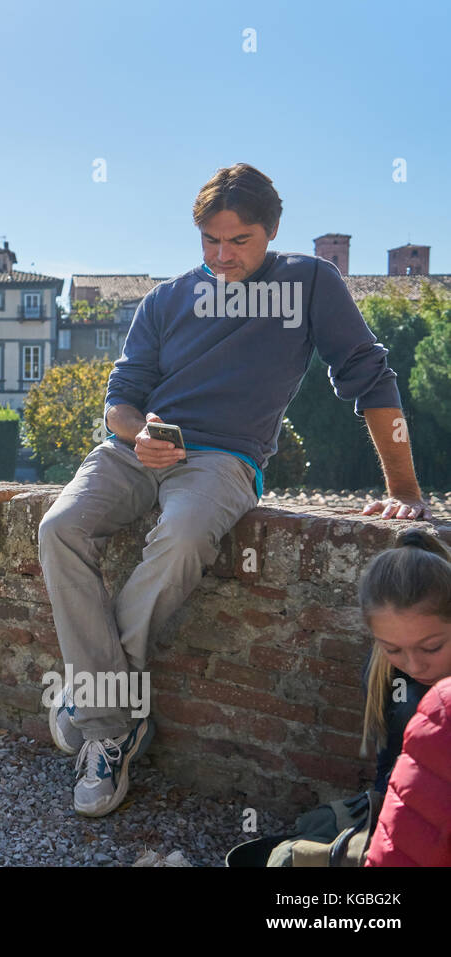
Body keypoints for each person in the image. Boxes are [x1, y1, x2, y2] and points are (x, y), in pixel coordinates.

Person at [39, 163, 431, 818]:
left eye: (239, 241)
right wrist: (138, 436)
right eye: (210, 241)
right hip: (134, 452)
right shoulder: (166, 299)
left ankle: (100, 711)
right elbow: (120, 402)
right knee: (58, 527)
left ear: (271, 233)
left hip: (224, 459)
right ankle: (114, 715)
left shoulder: (309, 282)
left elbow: (368, 373)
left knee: (184, 537)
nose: (222, 256)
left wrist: (406, 486)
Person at [358, 530, 451, 866]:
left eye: (431, 648)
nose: (414, 665)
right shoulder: (383, 671)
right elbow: (390, 767)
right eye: (393, 648)